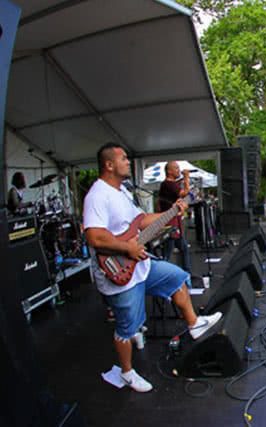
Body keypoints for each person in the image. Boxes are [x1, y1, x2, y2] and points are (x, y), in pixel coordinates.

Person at [83, 143, 222, 392]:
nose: (128, 161)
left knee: (178, 277)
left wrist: (173, 212)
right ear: (109, 164)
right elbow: (94, 237)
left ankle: (194, 324)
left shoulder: (123, 191)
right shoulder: (97, 195)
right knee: (127, 328)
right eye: (124, 158)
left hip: (140, 266)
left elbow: (140, 221)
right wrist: (127, 249)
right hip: (120, 270)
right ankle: (126, 373)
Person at [158, 161, 192, 279]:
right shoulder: (168, 184)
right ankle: (164, 276)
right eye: (176, 168)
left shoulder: (172, 184)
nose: (179, 170)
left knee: (184, 248)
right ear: (169, 171)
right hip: (170, 225)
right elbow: (184, 193)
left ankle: (187, 274)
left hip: (175, 223)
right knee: (168, 252)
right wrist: (187, 178)